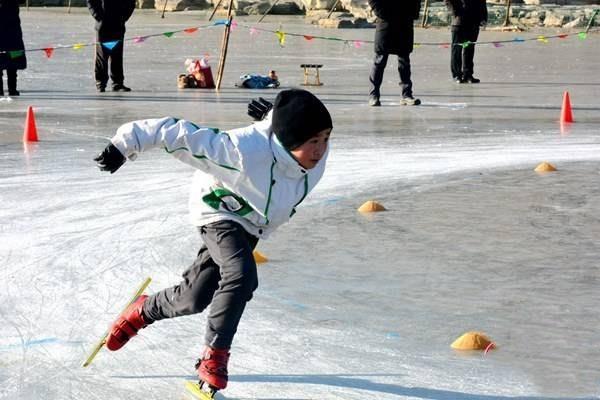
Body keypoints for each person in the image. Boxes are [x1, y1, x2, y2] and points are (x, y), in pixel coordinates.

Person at [93, 89, 332, 393]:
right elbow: (178, 134)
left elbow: (291, 120)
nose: (321, 150)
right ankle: (214, 357)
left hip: (253, 224)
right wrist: (124, 144)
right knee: (241, 275)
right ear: (289, 140)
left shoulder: (311, 153)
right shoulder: (241, 151)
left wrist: (274, 117)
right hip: (217, 209)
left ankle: (143, 310)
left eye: (325, 138)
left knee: (194, 298)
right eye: (313, 142)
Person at [367, 0, 421, 107]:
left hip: (404, 24)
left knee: (404, 61)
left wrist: (413, 13)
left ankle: (406, 95)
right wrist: (381, 13)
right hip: (386, 23)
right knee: (380, 60)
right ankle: (374, 95)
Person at [87, 0, 136, 92]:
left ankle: (117, 83)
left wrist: (123, 18)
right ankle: (100, 83)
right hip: (102, 25)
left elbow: (131, 3)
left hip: (118, 23)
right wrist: (98, 16)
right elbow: (91, 1)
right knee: (101, 55)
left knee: (117, 55)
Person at [444, 0, 488, 83]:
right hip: (459, 22)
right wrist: (455, 12)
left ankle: (468, 74)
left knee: (469, 49)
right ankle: (457, 75)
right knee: (457, 50)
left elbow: (482, 3)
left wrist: (483, 18)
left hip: (474, 22)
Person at [0, 0, 27, 97]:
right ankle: (12, 90)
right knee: (10, 61)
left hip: (12, 31)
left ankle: (11, 89)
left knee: (12, 60)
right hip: (12, 31)